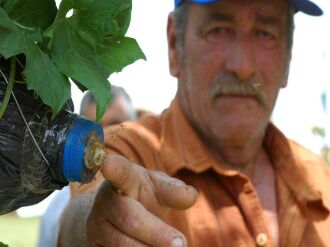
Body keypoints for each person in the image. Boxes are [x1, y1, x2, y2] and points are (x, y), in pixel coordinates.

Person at [58, 0, 330, 246]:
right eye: (218, 29)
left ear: (288, 59)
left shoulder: (320, 178)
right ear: (175, 44)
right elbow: (87, 212)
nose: (242, 66)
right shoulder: (123, 151)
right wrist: (98, 224)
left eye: (265, 34)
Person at [36, 86, 151, 247]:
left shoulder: (160, 178)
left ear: (135, 126)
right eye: (94, 131)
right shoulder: (60, 205)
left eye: (116, 126)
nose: (105, 140)